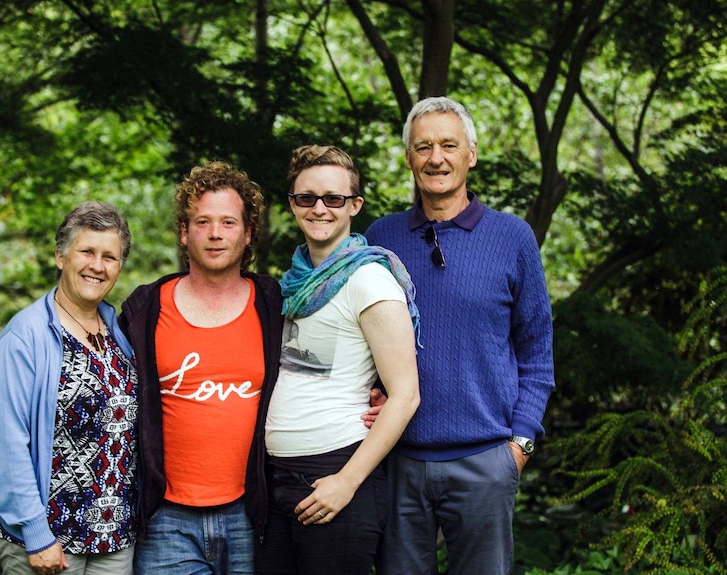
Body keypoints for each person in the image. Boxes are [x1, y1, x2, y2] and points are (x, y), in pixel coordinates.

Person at [364, 96, 556, 575]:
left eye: (449, 145)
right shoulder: (379, 239)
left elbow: (537, 351)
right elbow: (357, 339)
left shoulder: (512, 238)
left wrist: (520, 447)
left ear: (471, 154)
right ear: (409, 158)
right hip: (397, 459)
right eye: (423, 147)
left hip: (486, 460)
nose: (436, 158)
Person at [254, 145, 421, 575]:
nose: (320, 209)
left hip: (336, 471)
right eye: (306, 198)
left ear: (355, 206)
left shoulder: (370, 280)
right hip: (277, 478)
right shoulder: (291, 283)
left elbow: (405, 396)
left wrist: (346, 483)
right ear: (292, 204)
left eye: (334, 199)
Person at [120, 160, 284, 575]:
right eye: (203, 221)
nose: (215, 233)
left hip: (251, 514)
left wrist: (370, 390)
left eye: (228, 222)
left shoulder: (274, 306)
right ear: (183, 232)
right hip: (166, 521)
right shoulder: (145, 310)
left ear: (248, 234)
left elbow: (317, 369)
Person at [0, 201, 138, 575]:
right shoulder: (25, 336)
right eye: (86, 251)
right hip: (47, 541)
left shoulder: (118, 330)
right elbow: (9, 444)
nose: (97, 266)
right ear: (60, 256)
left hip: (114, 539)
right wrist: (37, 534)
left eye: (110, 257)